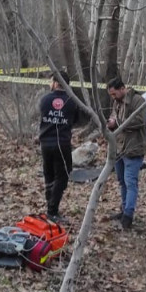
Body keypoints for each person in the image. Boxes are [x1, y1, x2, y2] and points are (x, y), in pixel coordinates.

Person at [35, 71, 87, 222]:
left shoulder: (44, 100)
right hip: (61, 143)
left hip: (45, 143)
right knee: (62, 176)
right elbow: (76, 120)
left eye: (51, 81)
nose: (49, 84)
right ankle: (52, 210)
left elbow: (42, 115)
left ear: (57, 83)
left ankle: (50, 206)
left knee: (49, 175)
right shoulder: (72, 101)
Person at [106, 77, 146, 230]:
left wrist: (118, 124)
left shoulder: (138, 101)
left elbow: (140, 121)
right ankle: (124, 210)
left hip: (133, 148)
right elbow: (114, 118)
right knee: (122, 181)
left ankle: (128, 215)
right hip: (119, 148)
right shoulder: (116, 102)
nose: (113, 97)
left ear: (122, 89)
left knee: (130, 182)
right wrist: (111, 124)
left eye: (114, 94)